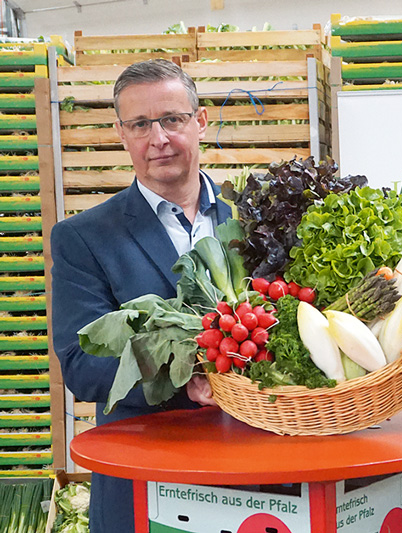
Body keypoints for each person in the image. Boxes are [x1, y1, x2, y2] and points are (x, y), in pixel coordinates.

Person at [50, 59, 228, 533]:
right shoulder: (83, 238)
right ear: (122, 133)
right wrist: (185, 371)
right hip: (143, 478)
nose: (159, 138)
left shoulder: (251, 222)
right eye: (140, 124)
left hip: (252, 473)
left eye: (172, 119)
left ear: (201, 122)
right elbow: (82, 367)